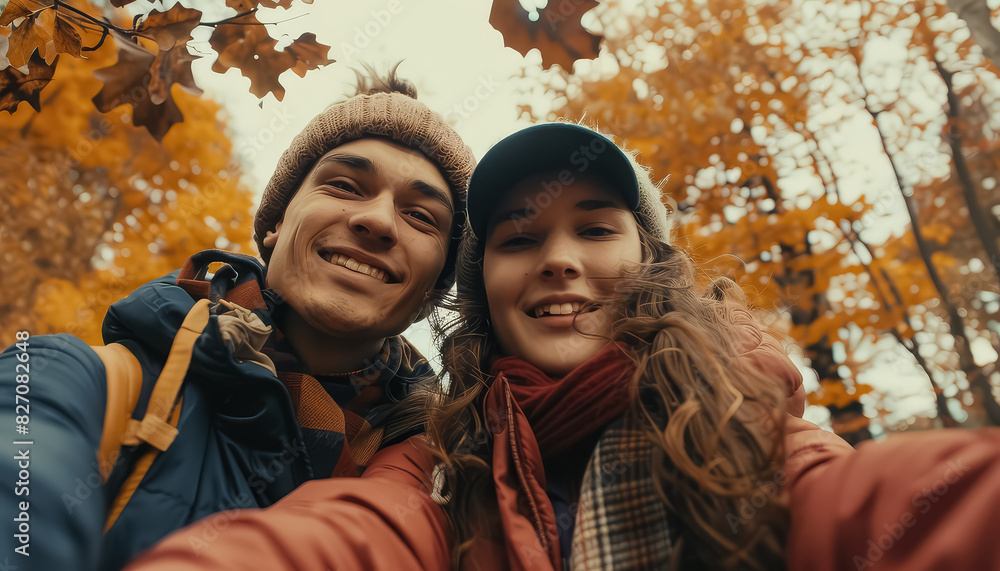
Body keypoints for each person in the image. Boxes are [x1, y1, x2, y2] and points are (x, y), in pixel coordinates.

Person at [126, 123, 1000, 571]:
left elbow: (869, 506)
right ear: (482, 296)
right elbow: (350, 538)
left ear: (649, 264)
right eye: (517, 237)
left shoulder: (749, 417)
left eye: (594, 228)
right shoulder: (441, 455)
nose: (558, 260)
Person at [0, 67, 475, 570]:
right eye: (344, 185)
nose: (378, 220)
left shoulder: (457, 479)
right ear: (274, 224)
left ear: (433, 290)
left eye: (422, 216)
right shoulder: (72, 380)